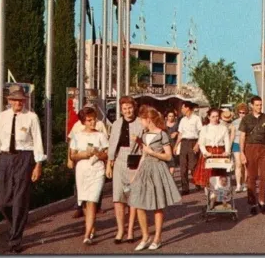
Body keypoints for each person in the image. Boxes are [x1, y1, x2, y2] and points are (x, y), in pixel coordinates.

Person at [0, 85, 45, 253]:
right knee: (2, 202)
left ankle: (15, 241)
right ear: (9, 100)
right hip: (4, 159)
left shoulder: (31, 117)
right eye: (15, 99)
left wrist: (38, 165)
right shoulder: (2, 117)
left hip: (24, 158)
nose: (18, 102)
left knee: (20, 200)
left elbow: (38, 141)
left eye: (21, 99)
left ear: (25, 100)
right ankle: (16, 226)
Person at [128, 105, 181, 251]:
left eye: (142, 120)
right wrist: (136, 174)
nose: (140, 123)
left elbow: (169, 156)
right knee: (138, 203)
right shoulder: (144, 135)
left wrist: (152, 152)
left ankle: (157, 238)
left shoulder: (162, 134)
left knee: (158, 205)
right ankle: (145, 236)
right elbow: (143, 156)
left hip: (158, 169)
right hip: (145, 169)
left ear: (149, 119)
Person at [69, 106, 109, 245]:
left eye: (94, 119)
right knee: (85, 201)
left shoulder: (100, 135)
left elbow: (106, 154)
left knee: (92, 201)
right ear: (83, 122)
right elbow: (73, 155)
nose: (92, 123)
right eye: (89, 120)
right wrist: (83, 154)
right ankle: (91, 227)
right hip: (82, 170)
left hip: (97, 170)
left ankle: (86, 234)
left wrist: (98, 153)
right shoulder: (77, 136)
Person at [106, 96, 143, 244]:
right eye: (124, 108)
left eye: (130, 107)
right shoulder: (116, 124)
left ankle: (130, 231)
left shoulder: (141, 123)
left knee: (133, 197)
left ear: (134, 108)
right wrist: (109, 163)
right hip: (120, 159)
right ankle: (120, 229)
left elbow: (146, 144)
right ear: (121, 110)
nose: (127, 111)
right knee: (118, 197)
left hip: (135, 160)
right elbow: (112, 144)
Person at [239, 96, 265, 215]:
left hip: (264, 149)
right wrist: (241, 153)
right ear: (251, 106)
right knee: (252, 177)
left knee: (264, 176)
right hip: (250, 148)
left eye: (261, 105)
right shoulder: (246, 119)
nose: (259, 107)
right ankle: (252, 204)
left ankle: (262, 202)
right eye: (257, 105)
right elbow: (242, 137)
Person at [192, 108, 231, 187]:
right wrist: (205, 152)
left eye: (217, 116)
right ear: (209, 117)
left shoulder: (223, 128)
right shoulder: (204, 128)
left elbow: (227, 141)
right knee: (208, 176)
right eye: (213, 116)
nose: (215, 118)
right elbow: (201, 143)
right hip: (209, 153)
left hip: (220, 153)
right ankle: (210, 195)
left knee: (219, 175)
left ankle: (219, 193)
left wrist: (227, 151)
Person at [174, 101, 203, 196]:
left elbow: (201, 133)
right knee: (183, 167)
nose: (181, 110)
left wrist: (197, 145)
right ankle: (185, 188)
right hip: (184, 143)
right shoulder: (182, 120)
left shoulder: (197, 119)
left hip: (193, 142)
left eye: (182, 108)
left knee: (193, 166)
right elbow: (180, 134)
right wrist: (176, 145)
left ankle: (197, 182)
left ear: (187, 108)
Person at [231, 103, 248, 192]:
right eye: (240, 112)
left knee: (245, 165)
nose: (242, 114)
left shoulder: (249, 121)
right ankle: (238, 184)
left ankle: (244, 183)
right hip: (237, 144)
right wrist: (229, 147)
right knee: (238, 164)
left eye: (243, 112)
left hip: (246, 144)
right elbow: (232, 135)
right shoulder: (234, 122)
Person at [165, 110, 179, 176]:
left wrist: (176, 133)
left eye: (172, 116)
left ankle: (171, 178)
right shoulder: (163, 124)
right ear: (167, 117)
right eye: (169, 116)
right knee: (165, 162)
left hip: (173, 144)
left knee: (172, 162)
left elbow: (181, 132)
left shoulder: (177, 124)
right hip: (165, 145)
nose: (171, 118)